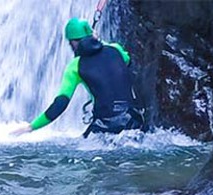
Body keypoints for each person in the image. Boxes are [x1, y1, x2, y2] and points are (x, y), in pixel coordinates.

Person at [14, 17, 145, 137]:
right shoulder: (116, 49)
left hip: (104, 129)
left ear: (73, 43)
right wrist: (97, 40)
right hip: (133, 122)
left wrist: (31, 127)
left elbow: (60, 103)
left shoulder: (75, 66)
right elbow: (127, 62)